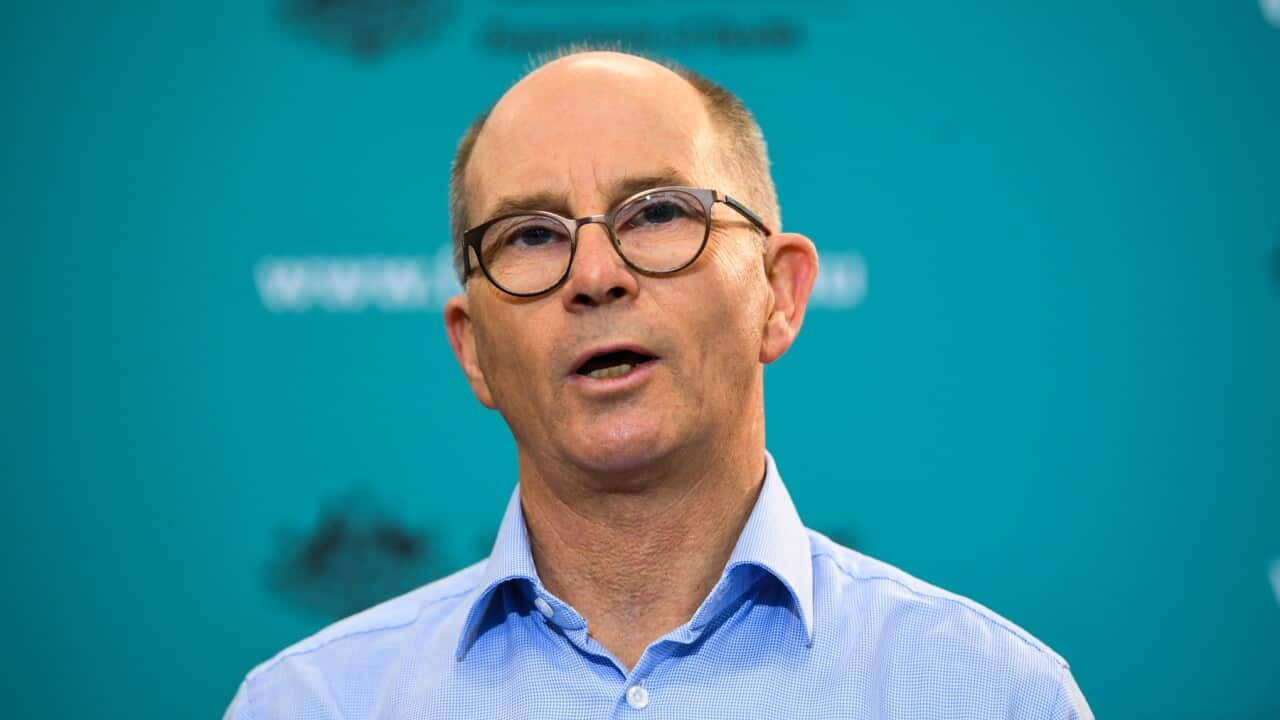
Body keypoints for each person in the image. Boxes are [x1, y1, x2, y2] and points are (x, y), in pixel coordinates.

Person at [224, 48, 1092, 719]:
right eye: (531, 235)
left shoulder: (991, 693)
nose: (595, 274)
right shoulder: (311, 703)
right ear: (473, 350)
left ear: (779, 296)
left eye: (661, 213)